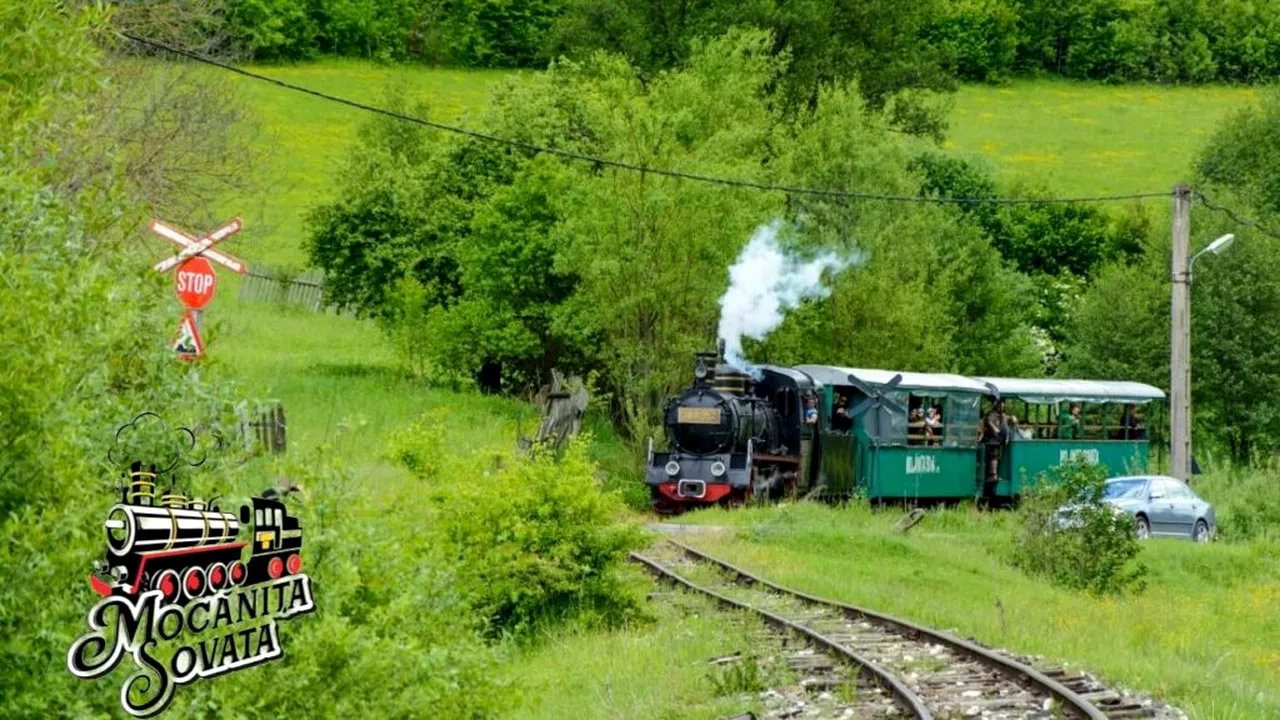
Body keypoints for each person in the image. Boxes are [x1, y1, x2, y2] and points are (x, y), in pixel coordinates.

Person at [978, 399, 1008, 499]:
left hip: (998, 442)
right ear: (996, 406)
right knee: (993, 456)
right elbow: (994, 429)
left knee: (995, 456)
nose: (1002, 408)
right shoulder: (990, 416)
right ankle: (993, 475)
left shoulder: (1002, 416)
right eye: (1000, 406)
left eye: (1003, 406)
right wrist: (995, 429)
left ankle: (993, 476)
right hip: (990, 442)